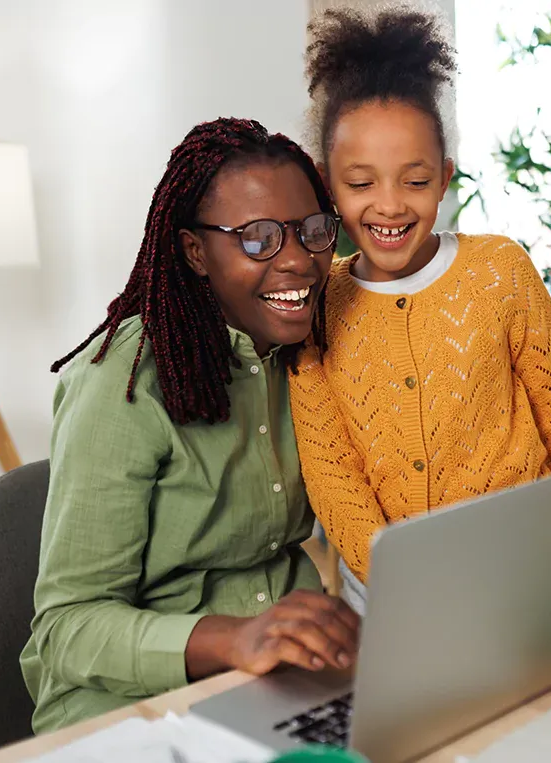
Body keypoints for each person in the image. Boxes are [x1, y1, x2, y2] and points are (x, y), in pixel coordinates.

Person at [20, 117, 360, 734]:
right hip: (125, 709)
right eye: (258, 239)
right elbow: (67, 629)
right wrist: (235, 640)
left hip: (278, 687)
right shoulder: (123, 383)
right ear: (195, 252)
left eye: (312, 232)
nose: (299, 262)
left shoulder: (310, 353)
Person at [288, 6, 551, 615]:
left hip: (532, 570)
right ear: (328, 185)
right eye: (361, 184)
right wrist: (407, 585)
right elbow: (334, 478)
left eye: (414, 180)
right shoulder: (316, 304)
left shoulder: (500, 271)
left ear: (445, 178)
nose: (389, 205)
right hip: (393, 599)